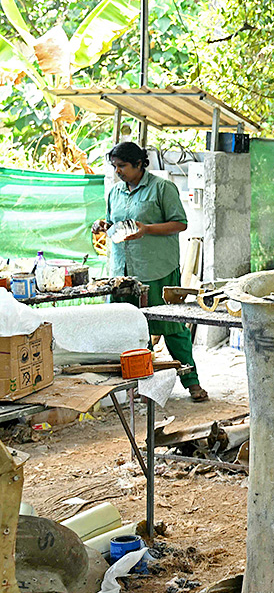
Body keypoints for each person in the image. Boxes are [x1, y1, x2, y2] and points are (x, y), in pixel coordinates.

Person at [92, 142, 208, 401]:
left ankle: (192, 382)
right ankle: (141, 387)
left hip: (157, 270)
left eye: (122, 166)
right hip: (123, 272)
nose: (118, 172)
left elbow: (180, 223)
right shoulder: (114, 192)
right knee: (130, 331)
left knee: (172, 329)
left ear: (139, 164)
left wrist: (147, 229)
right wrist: (104, 225)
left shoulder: (162, 188)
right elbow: (117, 225)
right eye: (115, 167)